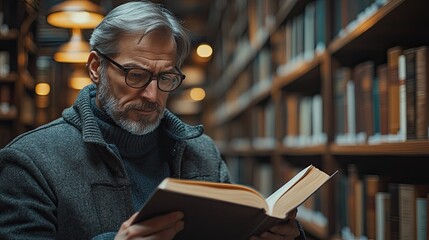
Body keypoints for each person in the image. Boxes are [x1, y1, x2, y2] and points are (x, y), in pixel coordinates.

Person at [0, 1, 305, 239]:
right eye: (136, 74)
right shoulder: (29, 162)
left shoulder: (202, 153)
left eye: (166, 78)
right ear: (96, 67)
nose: (151, 94)